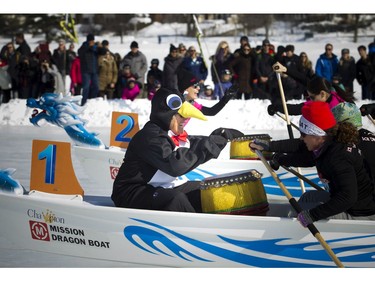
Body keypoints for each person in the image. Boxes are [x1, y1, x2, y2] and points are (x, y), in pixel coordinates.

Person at [111, 87, 244, 212]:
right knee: (175, 200)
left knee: (204, 190)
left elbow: (192, 143)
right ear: (165, 114)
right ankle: (198, 233)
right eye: (180, 115)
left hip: (157, 185)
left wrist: (219, 136)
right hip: (130, 192)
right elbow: (175, 165)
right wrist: (211, 144)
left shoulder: (168, 132)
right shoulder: (150, 136)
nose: (185, 119)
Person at [250, 101, 375, 224]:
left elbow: (348, 198)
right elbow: (305, 155)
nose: (301, 138)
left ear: (318, 136)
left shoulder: (338, 156)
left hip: (358, 212)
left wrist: (312, 215)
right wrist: (271, 149)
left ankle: (290, 238)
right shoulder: (329, 144)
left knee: (297, 213)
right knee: (308, 198)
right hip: (346, 201)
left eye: (303, 134)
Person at [267, 69, 355, 116]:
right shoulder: (331, 94)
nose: (311, 100)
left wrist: (276, 107)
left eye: (312, 97)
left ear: (322, 94)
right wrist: (286, 70)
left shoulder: (326, 107)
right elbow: (304, 80)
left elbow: (296, 109)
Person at [78, 34, 99, 105]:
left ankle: (92, 101)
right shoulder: (83, 47)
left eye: (93, 41)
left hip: (94, 71)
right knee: (86, 87)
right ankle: (83, 103)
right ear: (88, 41)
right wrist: (87, 47)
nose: (92, 42)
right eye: (90, 41)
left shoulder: (95, 48)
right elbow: (79, 52)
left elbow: (103, 51)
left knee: (96, 86)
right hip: (86, 71)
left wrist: (99, 46)